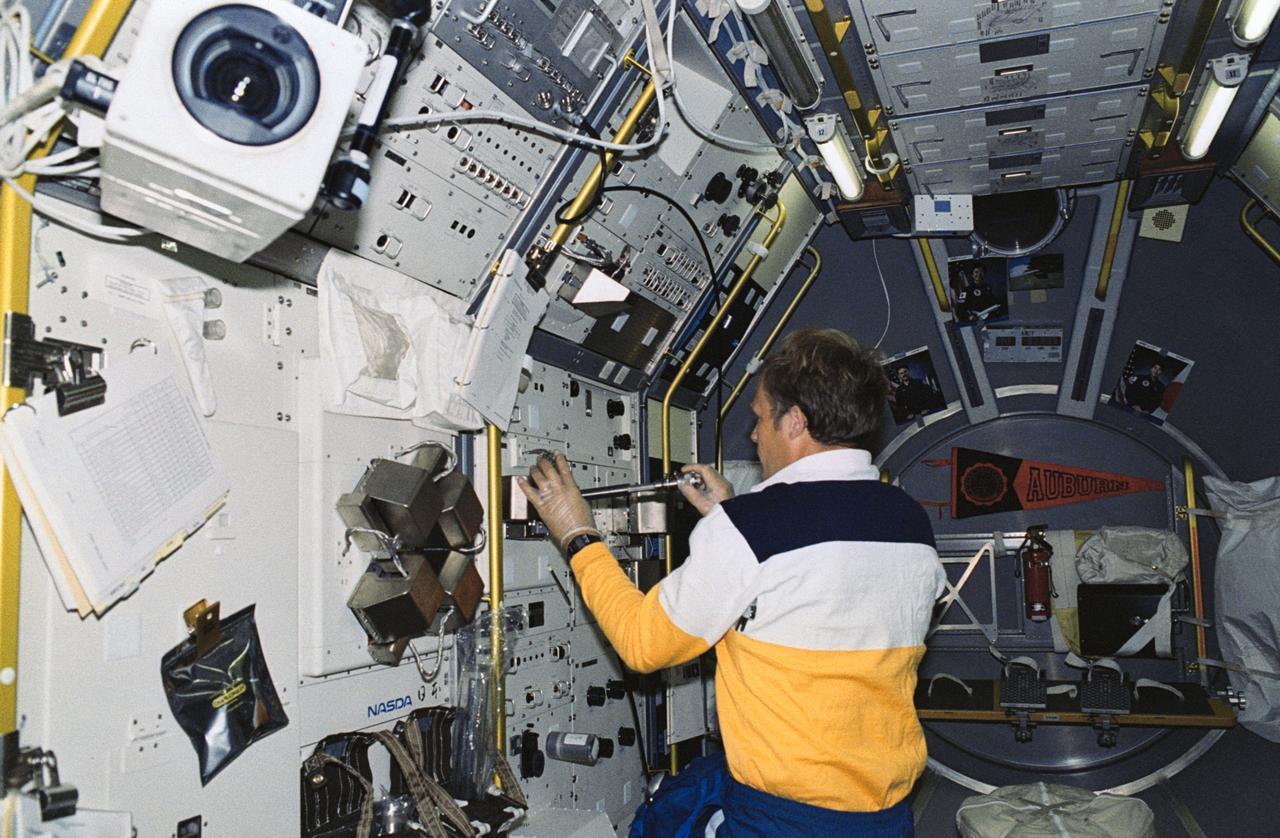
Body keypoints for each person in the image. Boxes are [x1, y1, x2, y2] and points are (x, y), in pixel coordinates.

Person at [519, 328, 945, 837]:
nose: (753, 434)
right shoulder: (908, 519)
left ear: (795, 422)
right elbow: (820, 591)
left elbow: (641, 643)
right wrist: (729, 515)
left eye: (762, 417)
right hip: (884, 816)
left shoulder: (753, 529)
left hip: (786, 820)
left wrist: (577, 533)